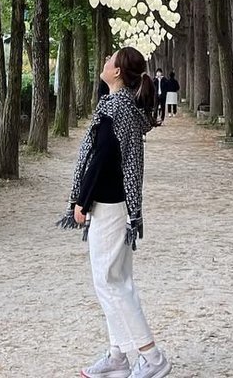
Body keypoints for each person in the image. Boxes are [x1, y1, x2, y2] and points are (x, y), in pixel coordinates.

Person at [57, 47, 172, 378]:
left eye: (109, 60)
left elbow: (103, 159)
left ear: (118, 71)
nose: (104, 63)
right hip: (118, 206)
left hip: (108, 205)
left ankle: (151, 357)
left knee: (111, 282)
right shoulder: (118, 105)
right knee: (114, 280)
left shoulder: (115, 108)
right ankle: (118, 355)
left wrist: (82, 200)